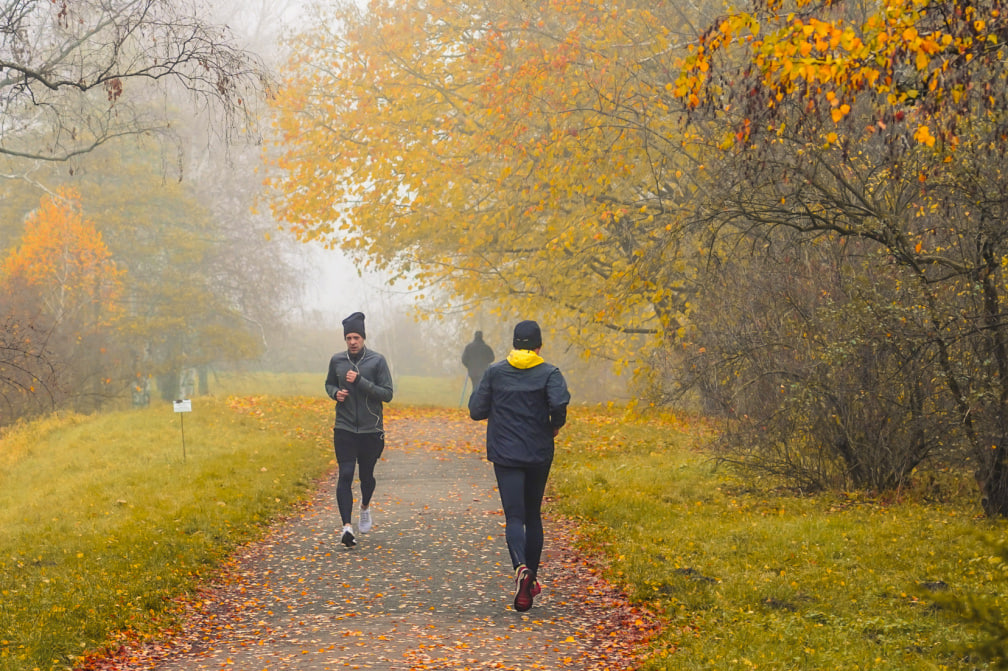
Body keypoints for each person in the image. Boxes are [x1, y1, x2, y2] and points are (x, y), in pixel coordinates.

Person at [468, 319, 571, 611]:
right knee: (533, 515)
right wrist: (554, 425)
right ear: (539, 346)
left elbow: (476, 410)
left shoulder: (495, 372)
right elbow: (559, 403)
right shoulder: (550, 373)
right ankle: (532, 578)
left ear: (514, 345)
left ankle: (521, 569)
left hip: (506, 453)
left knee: (514, 517)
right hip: (538, 453)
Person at [325, 312, 394, 547]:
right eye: (348, 338)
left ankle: (365, 507)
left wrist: (359, 382)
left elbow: (387, 394)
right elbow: (329, 383)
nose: (352, 342)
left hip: (370, 430)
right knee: (345, 474)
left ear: (363, 338)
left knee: (366, 477)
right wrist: (336, 393)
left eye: (356, 337)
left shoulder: (377, 361)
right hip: (344, 427)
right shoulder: (337, 360)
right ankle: (346, 527)